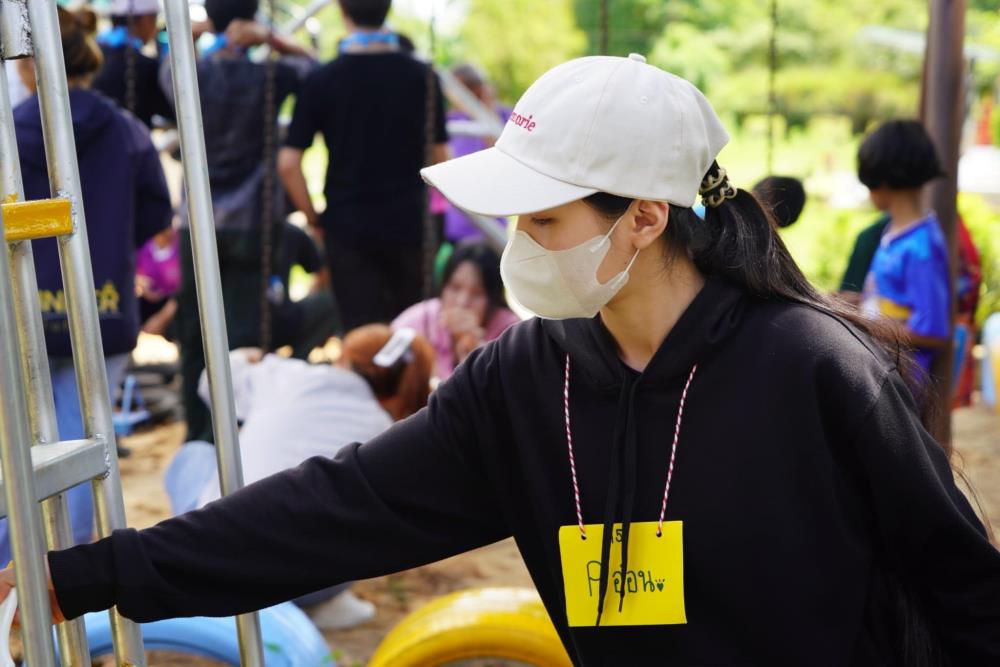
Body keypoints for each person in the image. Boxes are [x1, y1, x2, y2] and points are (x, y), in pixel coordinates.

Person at [10, 56, 1000, 665]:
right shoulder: (525, 380)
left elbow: (964, 592)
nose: (515, 245)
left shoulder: (816, 370)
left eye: (543, 219)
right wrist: (93, 573)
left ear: (645, 218)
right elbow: (332, 508)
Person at [4, 7, 171, 561]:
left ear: (28, 67)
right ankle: (64, 564)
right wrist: (110, 239)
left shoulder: (9, 132)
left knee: (20, 448)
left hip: (22, 308)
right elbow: (156, 210)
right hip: (102, 302)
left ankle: (11, 566)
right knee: (83, 441)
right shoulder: (126, 129)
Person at [164, 324, 433, 628]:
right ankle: (318, 605)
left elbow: (211, 381)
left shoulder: (288, 375)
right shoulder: (387, 433)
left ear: (344, 355)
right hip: (308, 578)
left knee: (196, 453)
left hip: (213, 562)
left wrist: (248, 356)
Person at [164, 0, 316, 442]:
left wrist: (199, 31)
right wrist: (272, 38)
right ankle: (241, 433)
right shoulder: (269, 75)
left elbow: (165, 70)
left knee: (196, 331)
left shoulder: (192, 74)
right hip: (252, 220)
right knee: (246, 331)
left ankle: (199, 433)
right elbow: (314, 69)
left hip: (198, 223)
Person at [278, 0, 450, 331]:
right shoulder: (422, 76)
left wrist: (314, 218)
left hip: (347, 225)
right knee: (409, 334)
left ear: (342, 11)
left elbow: (287, 164)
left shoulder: (323, 79)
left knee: (361, 338)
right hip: (408, 223)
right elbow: (441, 157)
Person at [857, 120, 950, 379]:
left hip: (902, 380)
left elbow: (932, 331)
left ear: (881, 180)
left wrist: (867, 325)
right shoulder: (896, 233)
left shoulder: (921, 249)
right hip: (885, 370)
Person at [393, 242, 518, 380]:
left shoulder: (510, 332)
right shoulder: (422, 319)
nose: (462, 302)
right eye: (455, 287)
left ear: (492, 299)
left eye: (477, 293)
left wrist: (478, 349)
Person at [439, 64, 512, 244]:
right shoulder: (452, 119)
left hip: (492, 223)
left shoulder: (503, 115)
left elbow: (501, 155)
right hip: (458, 221)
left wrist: (487, 107)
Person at [91, 0, 174, 129]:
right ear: (146, 20)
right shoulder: (146, 67)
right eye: (155, 19)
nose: (156, 28)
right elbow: (171, 109)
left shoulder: (94, 53)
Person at [270, 222, 339, 358]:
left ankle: (295, 361)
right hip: (239, 330)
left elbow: (322, 270)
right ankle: (296, 360)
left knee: (333, 301)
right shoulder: (288, 231)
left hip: (281, 322)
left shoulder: (290, 233)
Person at [135, 225, 180, 338]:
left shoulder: (181, 246)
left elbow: (183, 290)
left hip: (173, 306)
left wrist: (161, 319)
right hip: (145, 302)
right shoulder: (142, 245)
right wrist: (139, 282)